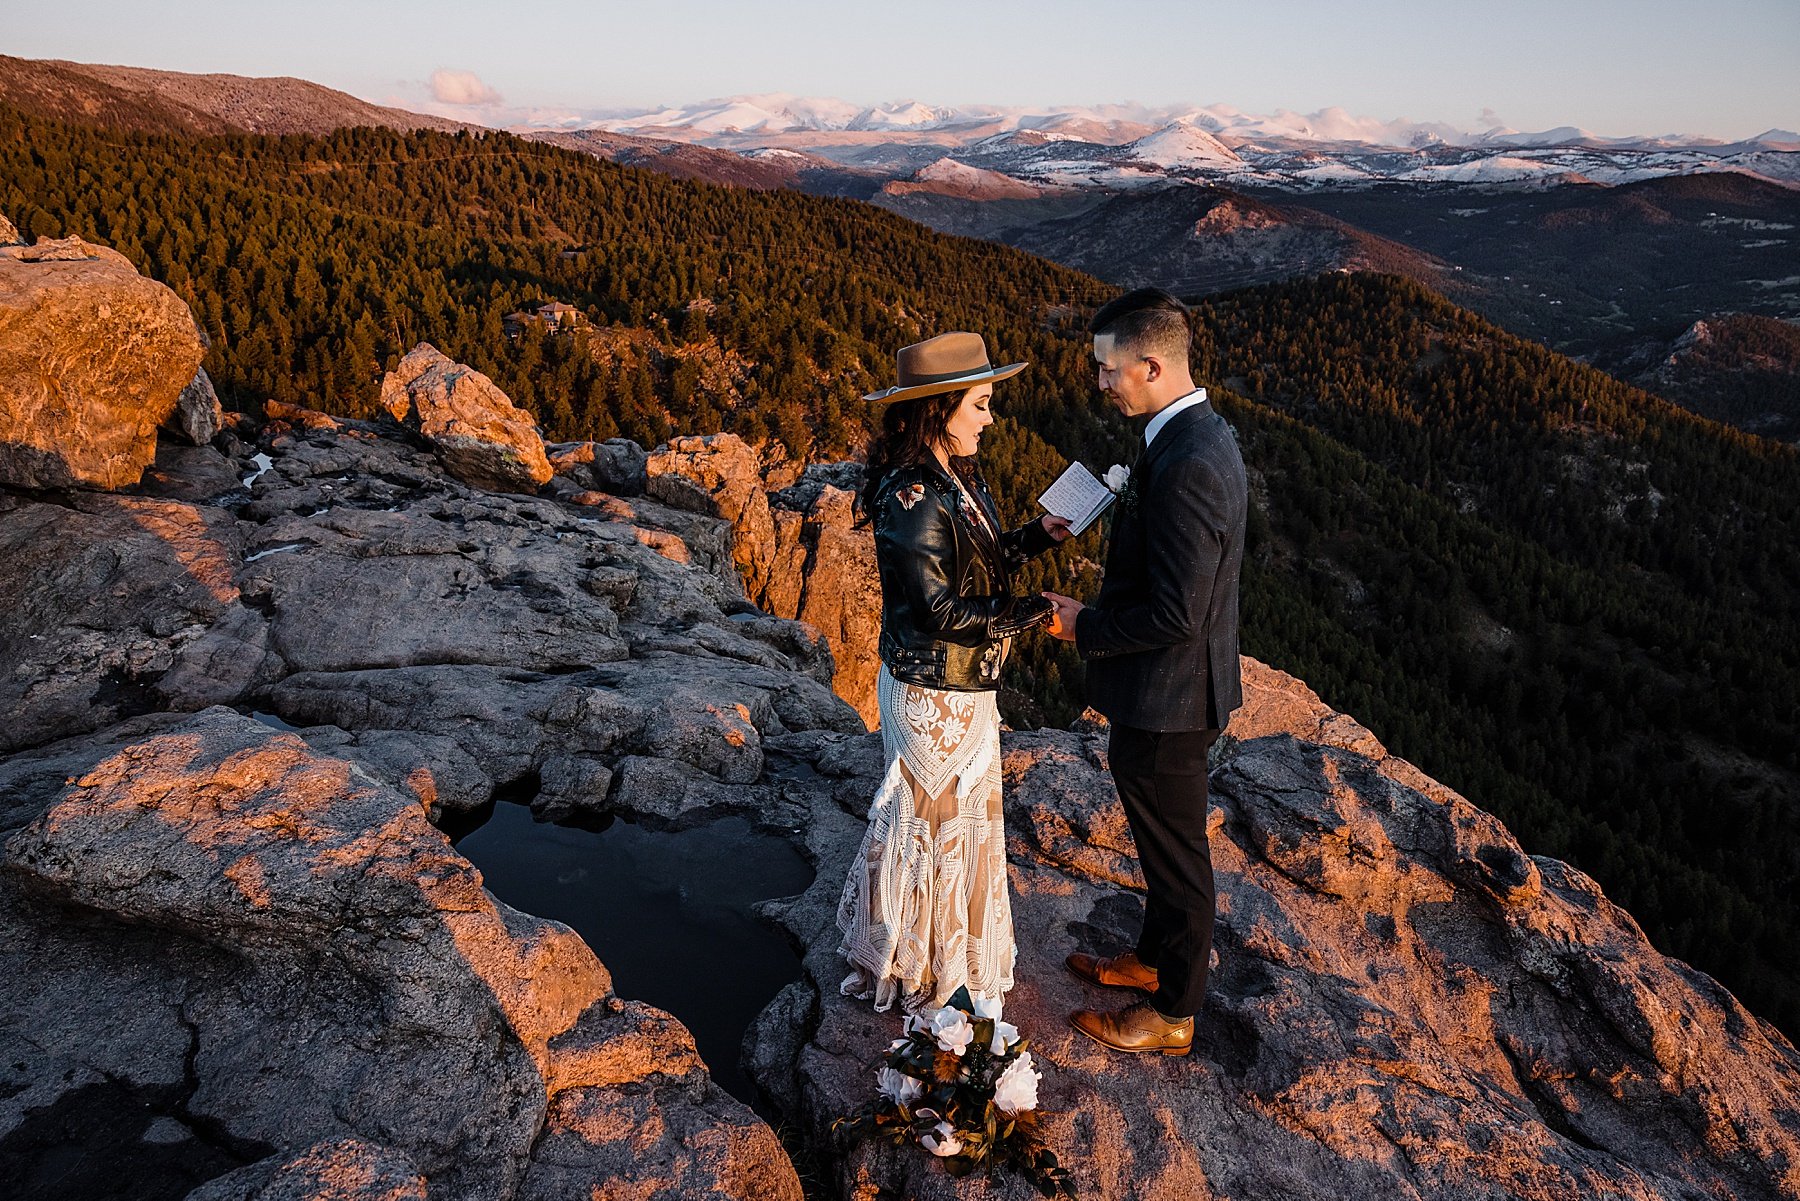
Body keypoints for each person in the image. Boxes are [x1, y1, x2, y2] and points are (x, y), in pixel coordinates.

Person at [837, 331, 1073, 1014]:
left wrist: (1035, 536)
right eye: (982, 403)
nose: (991, 418)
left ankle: (940, 956)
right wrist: (1025, 612)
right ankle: (927, 965)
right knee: (936, 827)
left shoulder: (953, 472)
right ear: (939, 406)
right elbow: (937, 607)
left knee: (956, 826)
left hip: (960, 683)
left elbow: (977, 557)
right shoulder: (912, 494)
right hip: (932, 689)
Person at [1042, 288, 1247, 1057]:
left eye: (1108, 369)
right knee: (1164, 842)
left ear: (1151, 365)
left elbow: (1178, 615)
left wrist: (1081, 625)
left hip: (1174, 698)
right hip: (1158, 696)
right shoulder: (1192, 433)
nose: (1099, 383)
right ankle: (1153, 960)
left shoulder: (1189, 461)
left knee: (1181, 860)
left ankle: (1174, 1013)